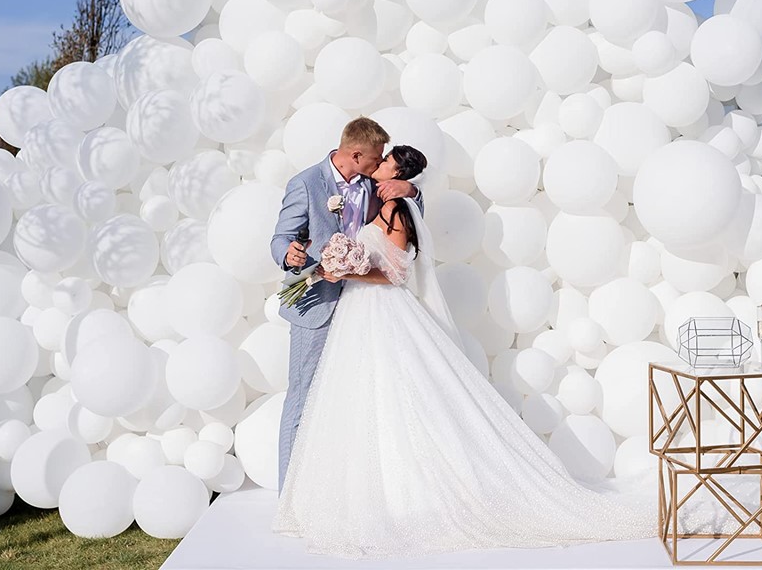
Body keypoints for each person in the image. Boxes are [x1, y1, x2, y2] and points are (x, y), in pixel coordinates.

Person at [271, 145, 656, 560]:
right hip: (345, 310)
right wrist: (316, 258)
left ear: (397, 173)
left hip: (376, 308)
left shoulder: (397, 206)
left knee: (391, 395)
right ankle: (313, 493)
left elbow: (397, 272)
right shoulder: (343, 187)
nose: (376, 166)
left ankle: (393, 493)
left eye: (385, 163)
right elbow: (292, 237)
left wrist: (351, 266)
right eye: (377, 160)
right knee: (340, 396)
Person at [270, 117, 423, 493]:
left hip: (365, 304)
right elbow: (280, 238)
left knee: (357, 397)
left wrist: (411, 190)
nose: (380, 164)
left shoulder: (376, 182)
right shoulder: (306, 184)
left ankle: (344, 489)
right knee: (303, 398)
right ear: (356, 155)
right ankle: (289, 493)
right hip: (318, 304)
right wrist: (289, 256)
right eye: (375, 159)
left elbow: (412, 207)